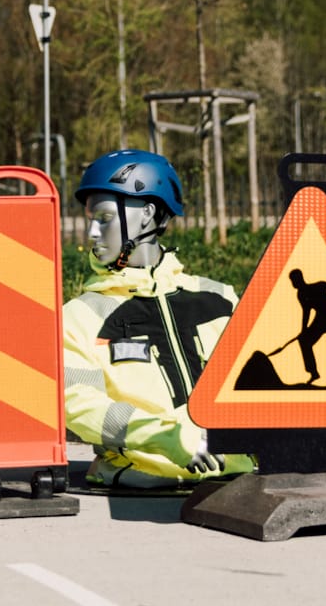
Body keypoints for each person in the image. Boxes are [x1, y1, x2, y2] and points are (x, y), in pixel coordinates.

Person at [62, 150, 256, 490]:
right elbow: (79, 405)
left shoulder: (219, 297)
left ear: (148, 215)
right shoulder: (80, 316)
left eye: (104, 218)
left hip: (238, 482)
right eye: (89, 219)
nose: (92, 232)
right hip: (140, 487)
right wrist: (166, 438)